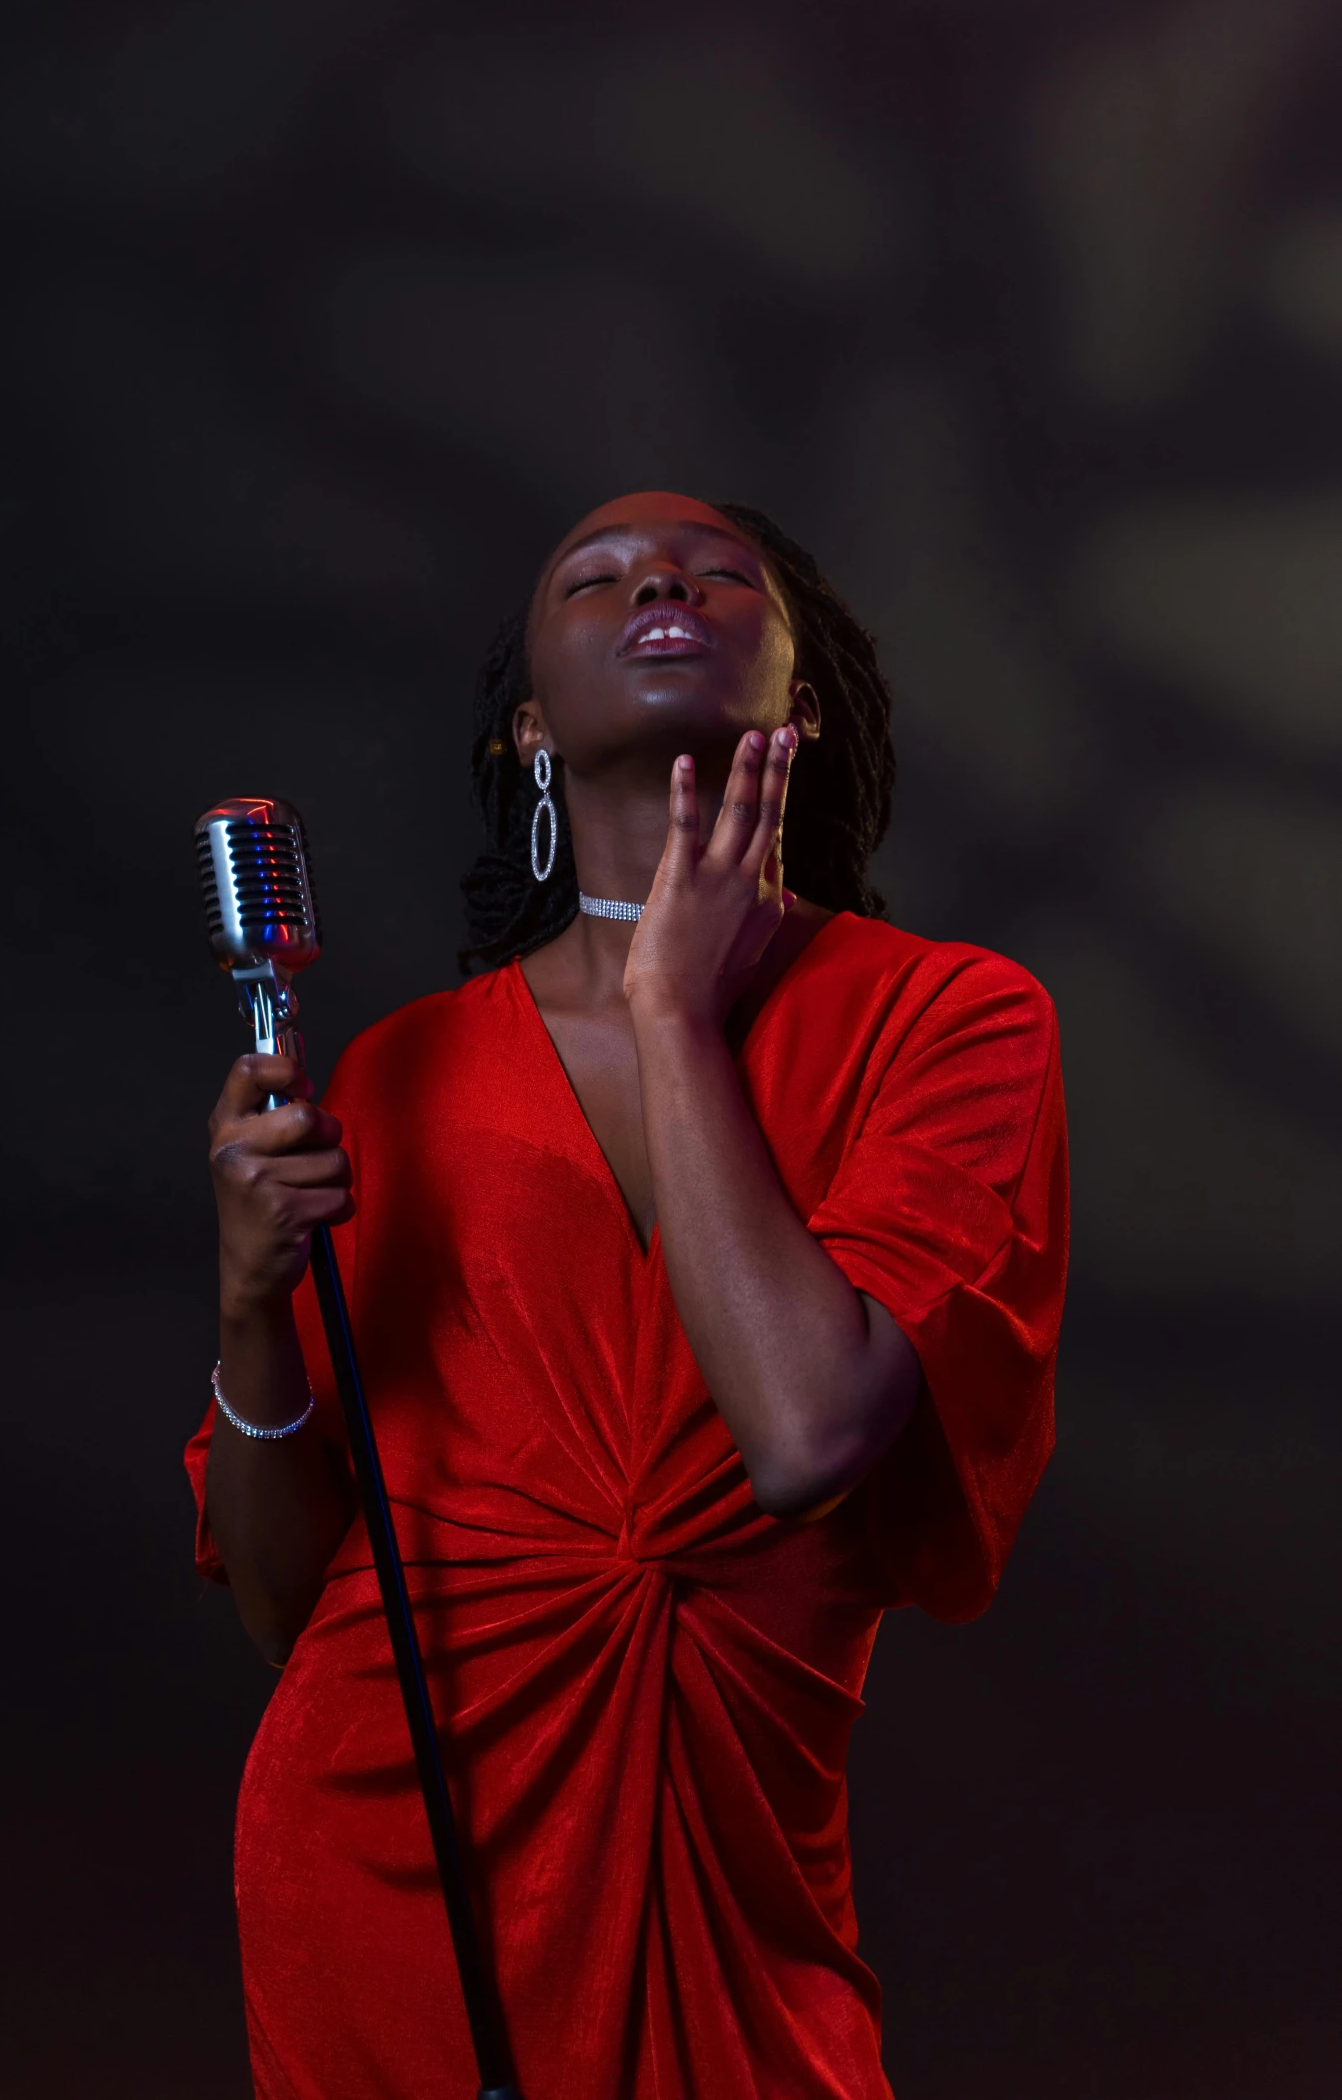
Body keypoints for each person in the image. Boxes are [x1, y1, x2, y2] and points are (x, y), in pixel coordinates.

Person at [185, 491, 1067, 2100]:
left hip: (737, 1871)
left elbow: (805, 1431)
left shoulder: (957, 1022)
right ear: (532, 731)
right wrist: (251, 1305)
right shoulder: (401, 1072)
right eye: (593, 576)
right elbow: (276, 1595)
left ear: (796, 707)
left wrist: (669, 997)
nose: (659, 576)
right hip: (387, 1854)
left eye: (719, 571)